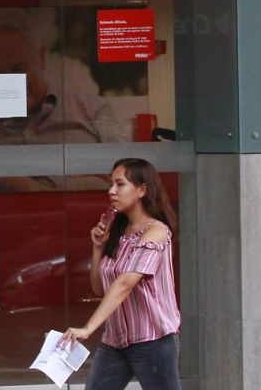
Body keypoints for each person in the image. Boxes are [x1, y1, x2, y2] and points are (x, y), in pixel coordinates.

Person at [61, 158, 181, 390]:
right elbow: (100, 288)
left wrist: (88, 328)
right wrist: (98, 248)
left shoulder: (156, 232)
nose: (111, 191)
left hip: (153, 340)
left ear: (142, 190)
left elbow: (125, 283)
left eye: (120, 184)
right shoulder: (119, 231)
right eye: (111, 184)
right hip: (115, 341)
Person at [0, 9, 122, 147]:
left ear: (40, 58)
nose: (12, 83)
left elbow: (123, 163)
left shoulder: (91, 110)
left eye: (19, 69)